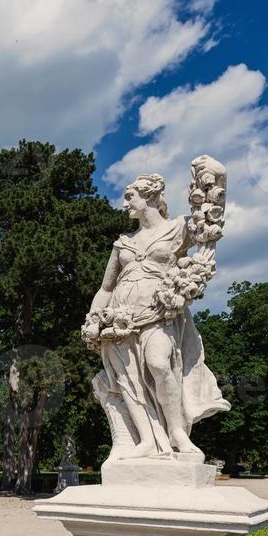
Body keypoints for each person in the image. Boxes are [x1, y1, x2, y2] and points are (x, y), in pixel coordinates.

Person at [82, 159, 230, 461]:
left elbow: (209, 224)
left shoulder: (177, 229)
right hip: (118, 321)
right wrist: (93, 318)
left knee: (159, 364)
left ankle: (176, 433)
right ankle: (147, 440)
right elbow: (105, 289)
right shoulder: (123, 243)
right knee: (128, 382)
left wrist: (218, 177)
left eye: (129, 197)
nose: (125, 204)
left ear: (149, 195)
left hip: (158, 314)